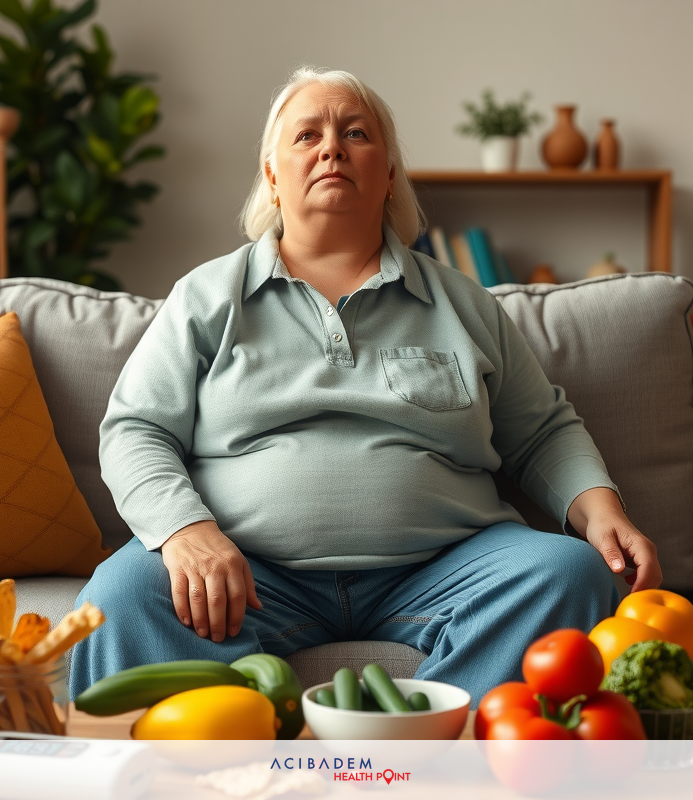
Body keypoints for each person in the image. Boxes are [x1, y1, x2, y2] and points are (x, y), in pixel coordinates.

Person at [69, 67, 661, 701]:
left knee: (568, 574)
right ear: (272, 175)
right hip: (250, 573)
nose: (331, 148)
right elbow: (136, 429)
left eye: (355, 132)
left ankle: (421, 749)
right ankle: (248, 752)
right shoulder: (206, 297)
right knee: (121, 595)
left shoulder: (463, 302)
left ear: (388, 176)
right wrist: (187, 532)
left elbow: (541, 429)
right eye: (306, 136)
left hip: (444, 567)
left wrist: (602, 511)